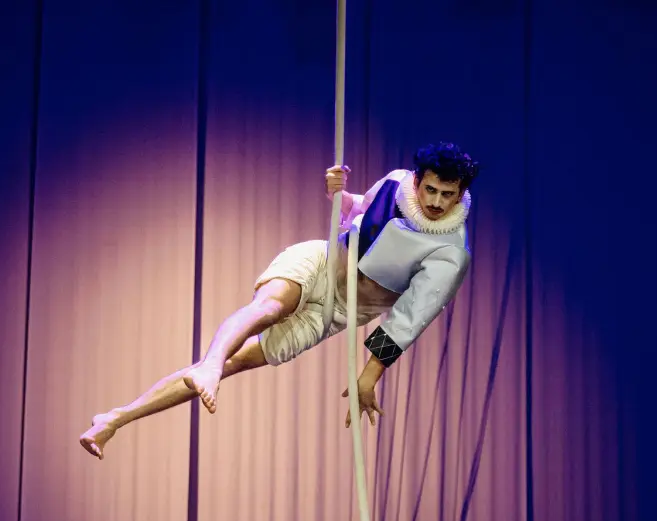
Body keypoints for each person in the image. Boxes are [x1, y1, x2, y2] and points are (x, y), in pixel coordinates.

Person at [79, 141, 479, 459]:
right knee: (268, 308)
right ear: (417, 180)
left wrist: (368, 376)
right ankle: (209, 368)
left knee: (237, 362)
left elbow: (411, 316)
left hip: (338, 312)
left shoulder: (450, 253)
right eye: (431, 189)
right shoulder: (395, 182)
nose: (437, 202)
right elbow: (360, 211)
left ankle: (116, 418)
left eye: (448, 194)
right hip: (322, 261)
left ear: (461, 195)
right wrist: (337, 193)